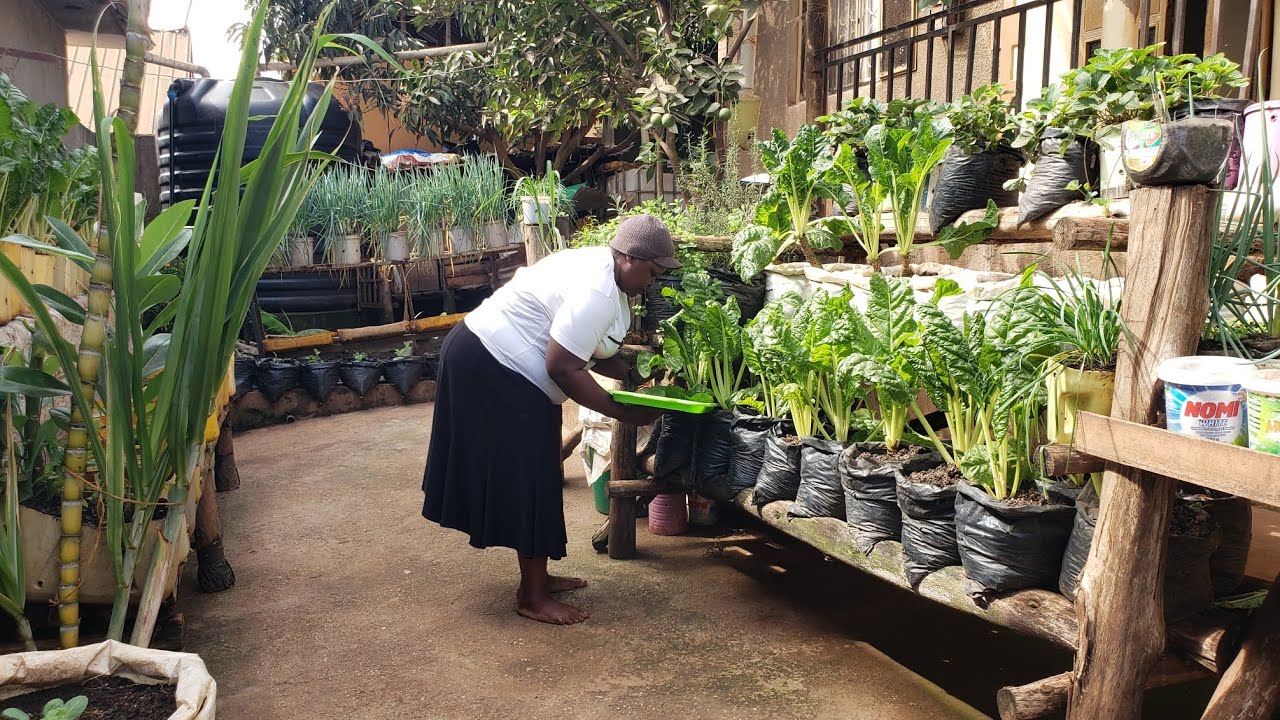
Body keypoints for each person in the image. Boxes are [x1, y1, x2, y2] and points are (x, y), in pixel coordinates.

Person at [422, 214, 676, 625]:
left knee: (536, 472)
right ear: (629, 257)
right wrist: (624, 412)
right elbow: (562, 367)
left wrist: (633, 374)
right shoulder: (597, 290)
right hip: (489, 363)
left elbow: (588, 348)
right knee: (531, 476)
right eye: (652, 271)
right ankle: (532, 595)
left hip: (494, 358)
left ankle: (537, 578)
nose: (652, 281)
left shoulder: (606, 273)